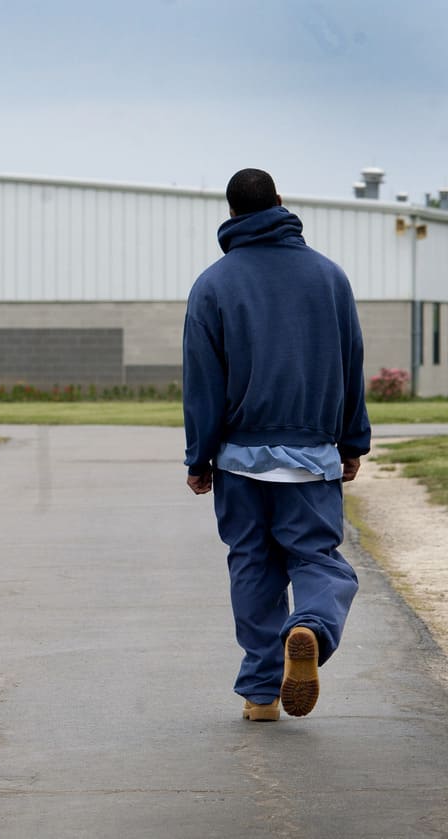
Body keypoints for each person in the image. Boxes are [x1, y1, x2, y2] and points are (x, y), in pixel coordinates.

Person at [183, 168, 371, 722]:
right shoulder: (329, 278)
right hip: (312, 455)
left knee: (251, 565)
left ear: (231, 212)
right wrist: (352, 441)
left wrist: (200, 458)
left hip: (239, 459)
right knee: (318, 560)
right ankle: (310, 625)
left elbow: (202, 383)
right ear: (281, 204)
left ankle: (261, 695)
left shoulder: (213, 284)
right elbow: (351, 365)